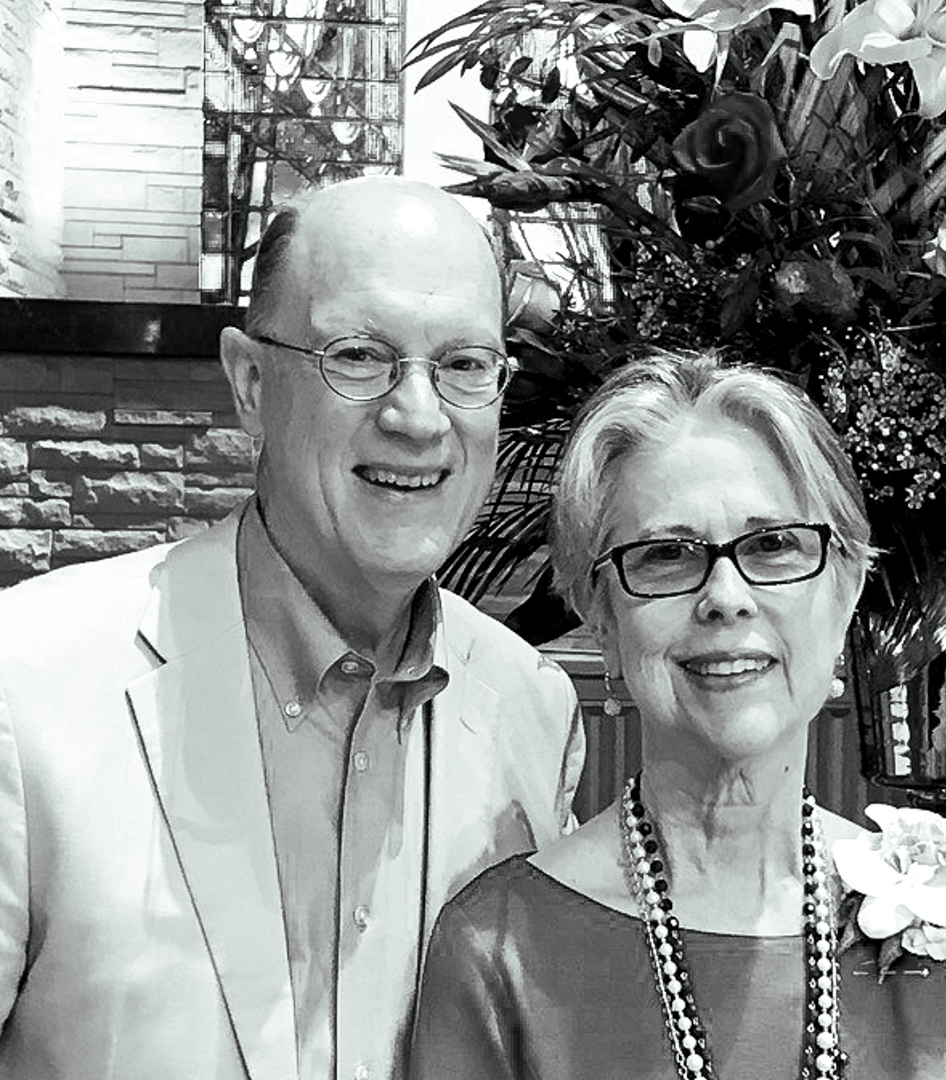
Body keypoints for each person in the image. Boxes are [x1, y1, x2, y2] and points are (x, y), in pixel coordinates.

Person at [0, 176, 584, 1080]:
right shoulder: (27, 684)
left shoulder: (532, 713)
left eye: (465, 364)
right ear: (249, 380)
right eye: (359, 356)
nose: (418, 416)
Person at [410, 353, 946, 1080]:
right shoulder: (496, 949)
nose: (726, 595)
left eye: (775, 545)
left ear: (847, 587)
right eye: (667, 554)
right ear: (601, 616)